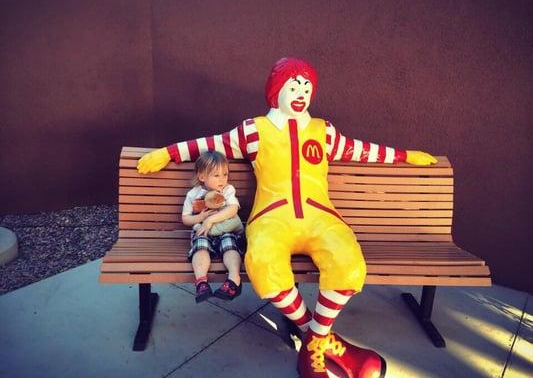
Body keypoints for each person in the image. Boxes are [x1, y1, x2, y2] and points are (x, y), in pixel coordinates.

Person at [137, 57, 437, 377]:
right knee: (264, 265)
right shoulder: (254, 130)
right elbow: (209, 145)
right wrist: (167, 153)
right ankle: (321, 342)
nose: (301, 92)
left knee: (349, 265)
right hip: (271, 217)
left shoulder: (325, 132)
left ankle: (312, 346)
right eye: (294, 85)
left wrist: (406, 157)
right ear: (276, 90)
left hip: (322, 217)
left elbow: (365, 150)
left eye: (307, 87)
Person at [182, 150, 244, 303]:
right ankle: (202, 282)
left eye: (225, 174)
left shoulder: (228, 190)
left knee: (230, 245)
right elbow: (185, 218)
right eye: (216, 175)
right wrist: (201, 218)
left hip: (225, 230)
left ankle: (234, 279)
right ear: (202, 176)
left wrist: (211, 220)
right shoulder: (193, 194)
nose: (222, 179)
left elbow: (233, 209)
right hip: (203, 231)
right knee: (200, 246)